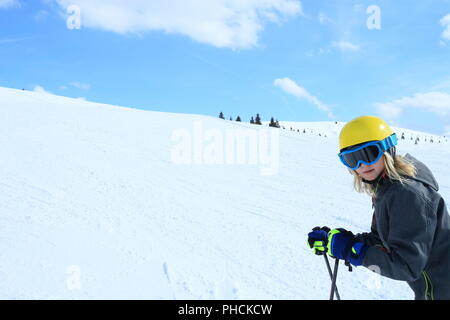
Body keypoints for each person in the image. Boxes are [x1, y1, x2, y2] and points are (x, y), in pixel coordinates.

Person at [307, 115, 450, 300]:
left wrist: (352, 250)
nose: (362, 164)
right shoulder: (387, 188)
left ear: (387, 150)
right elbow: (384, 241)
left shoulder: (406, 194)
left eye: (368, 154)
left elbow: (406, 266)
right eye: (352, 159)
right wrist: (341, 241)